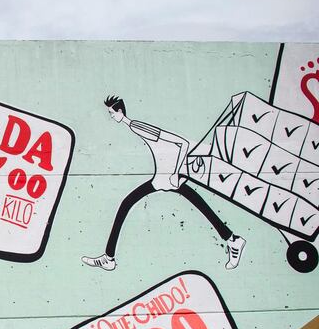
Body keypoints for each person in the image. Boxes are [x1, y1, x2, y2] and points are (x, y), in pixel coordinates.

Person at [82, 95, 246, 271]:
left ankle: (109, 258)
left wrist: (174, 173)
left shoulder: (137, 125)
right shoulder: (133, 126)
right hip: (162, 179)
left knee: (126, 203)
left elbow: (181, 143)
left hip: (167, 178)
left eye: (112, 113)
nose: (111, 117)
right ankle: (233, 240)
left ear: (120, 111)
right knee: (200, 205)